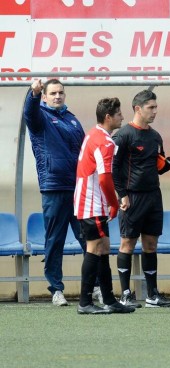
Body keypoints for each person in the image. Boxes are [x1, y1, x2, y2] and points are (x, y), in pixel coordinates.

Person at [112, 90, 170, 308]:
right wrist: (122, 195)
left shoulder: (155, 136)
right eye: (151, 107)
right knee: (127, 243)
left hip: (153, 196)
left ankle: (152, 294)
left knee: (151, 244)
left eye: (155, 107)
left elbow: (158, 168)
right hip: (131, 198)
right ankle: (125, 294)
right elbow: (113, 169)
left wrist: (169, 161)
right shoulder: (123, 135)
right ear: (137, 109)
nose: (155, 111)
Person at [23, 78, 86, 306]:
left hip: (78, 188)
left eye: (61, 92)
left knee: (88, 238)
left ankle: (95, 286)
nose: (58, 96)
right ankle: (56, 290)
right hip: (54, 186)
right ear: (46, 96)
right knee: (55, 240)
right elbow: (29, 112)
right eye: (53, 93)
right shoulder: (39, 117)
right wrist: (33, 93)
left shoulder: (73, 120)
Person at [74, 97, 135, 314]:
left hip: (89, 199)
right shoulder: (106, 142)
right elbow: (104, 178)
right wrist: (113, 203)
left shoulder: (94, 133)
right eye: (119, 114)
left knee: (104, 247)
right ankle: (85, 302)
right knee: (95, 248)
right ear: (108, 117)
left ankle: (109, 300)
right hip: (91, 201)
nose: (122, 117)